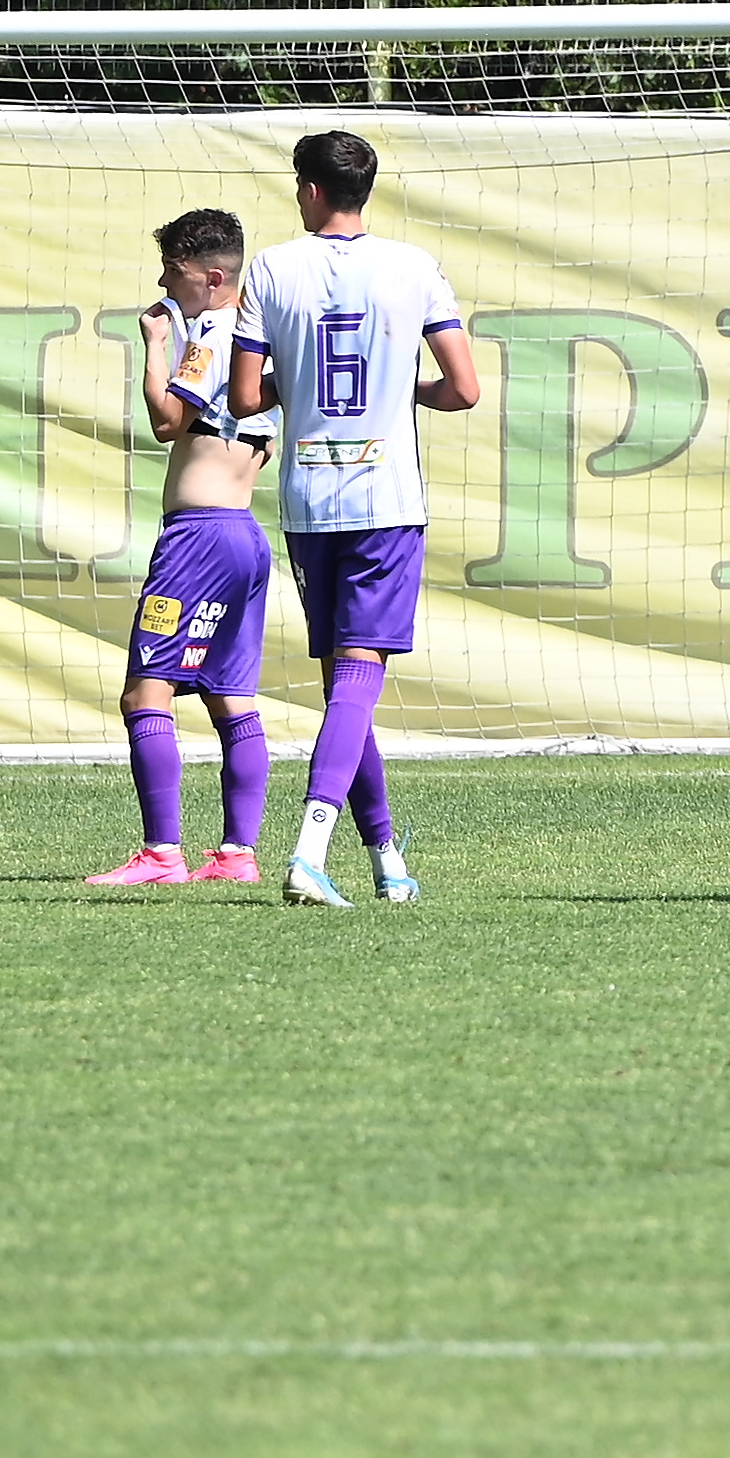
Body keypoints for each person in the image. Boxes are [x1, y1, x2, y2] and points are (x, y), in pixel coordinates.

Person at [229, 132, 481, 908]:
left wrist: (297, 382)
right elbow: (463, 389)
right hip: (387, 499)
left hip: (309, 498)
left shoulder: (271, 267)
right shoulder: (414, 268)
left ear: (308, 190)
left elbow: (245, 399)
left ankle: (385, 857)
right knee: (358, 678)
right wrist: (403, 392)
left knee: (347, 681)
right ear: (361, 191)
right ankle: (309, 848)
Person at [86, 211, 280, 888]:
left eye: (173, 271)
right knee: (232, 698)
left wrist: (154, 342)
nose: (164, 282)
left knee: (145, 693)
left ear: (212, 277)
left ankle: (160, 853)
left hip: (198, 539)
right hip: (246, 541)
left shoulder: (213, 334)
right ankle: (237, 855)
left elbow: (169, 421)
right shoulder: (266, 339)